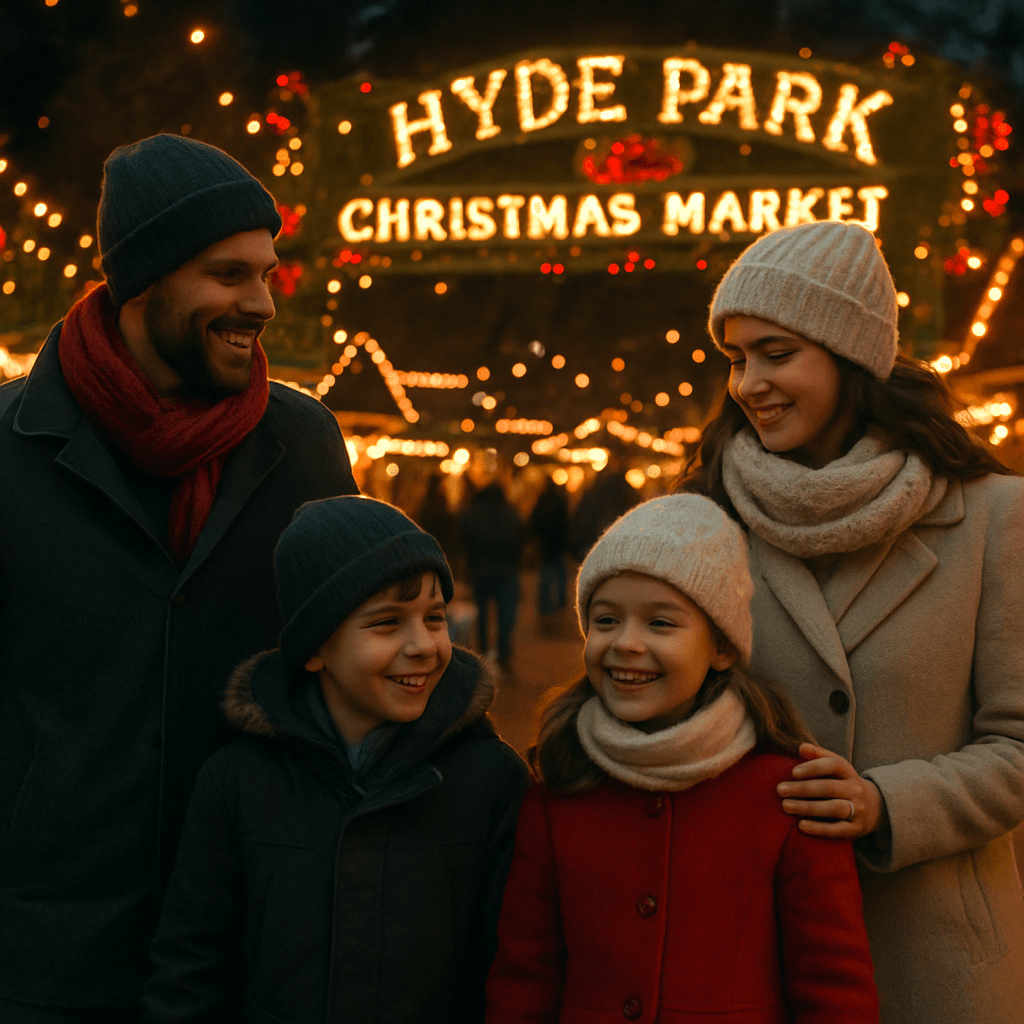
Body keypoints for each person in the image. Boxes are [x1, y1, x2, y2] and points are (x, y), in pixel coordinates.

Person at [0, 134, 358, 1021]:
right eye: (229, 275)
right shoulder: (9, 446)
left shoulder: (302, 443)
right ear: (145, 278)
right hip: (49, 946)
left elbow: (360, 654)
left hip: (247, 937)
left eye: (268, 274)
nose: (262, 303)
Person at [679, 219, 1024, 1024]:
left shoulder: (995, 518)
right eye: (736, 358)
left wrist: (885, 803)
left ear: (850, 355)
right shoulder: (704, 517)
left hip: (938, 964)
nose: (748, 383)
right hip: (758, 958)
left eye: (777, 352)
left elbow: (1017, 748)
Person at [486, 494, 879, 1023]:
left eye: (661, 624)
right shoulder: (559, 783)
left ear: (720, 648)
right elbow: (524, 974)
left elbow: (834, 988)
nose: (626, 643)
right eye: (606, 620)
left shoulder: (787, 792)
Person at [144, 496, 529, 1023]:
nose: (424, 645)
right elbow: (191, 967)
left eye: (435, 617)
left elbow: (514, 976)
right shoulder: (237, 780)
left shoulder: (491, 780)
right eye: (387, 623)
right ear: (314, 648)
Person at [460, 481, 522, 669]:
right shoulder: (510, 512)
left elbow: (465, 539)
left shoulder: (473, 512)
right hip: (506, 570)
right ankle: (503, 653)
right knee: (505, 615)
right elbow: (519, 538)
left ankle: (484, 652)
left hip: (481, 570)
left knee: (482, 615)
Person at [528, 475, 570, 622]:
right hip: (558, 547)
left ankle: (545, 611)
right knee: (559, 579)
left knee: (545, 581)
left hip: (546, 548)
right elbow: (567, 523)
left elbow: (533, 521)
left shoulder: (542, 501)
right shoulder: (561, 501)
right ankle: (558, 608)